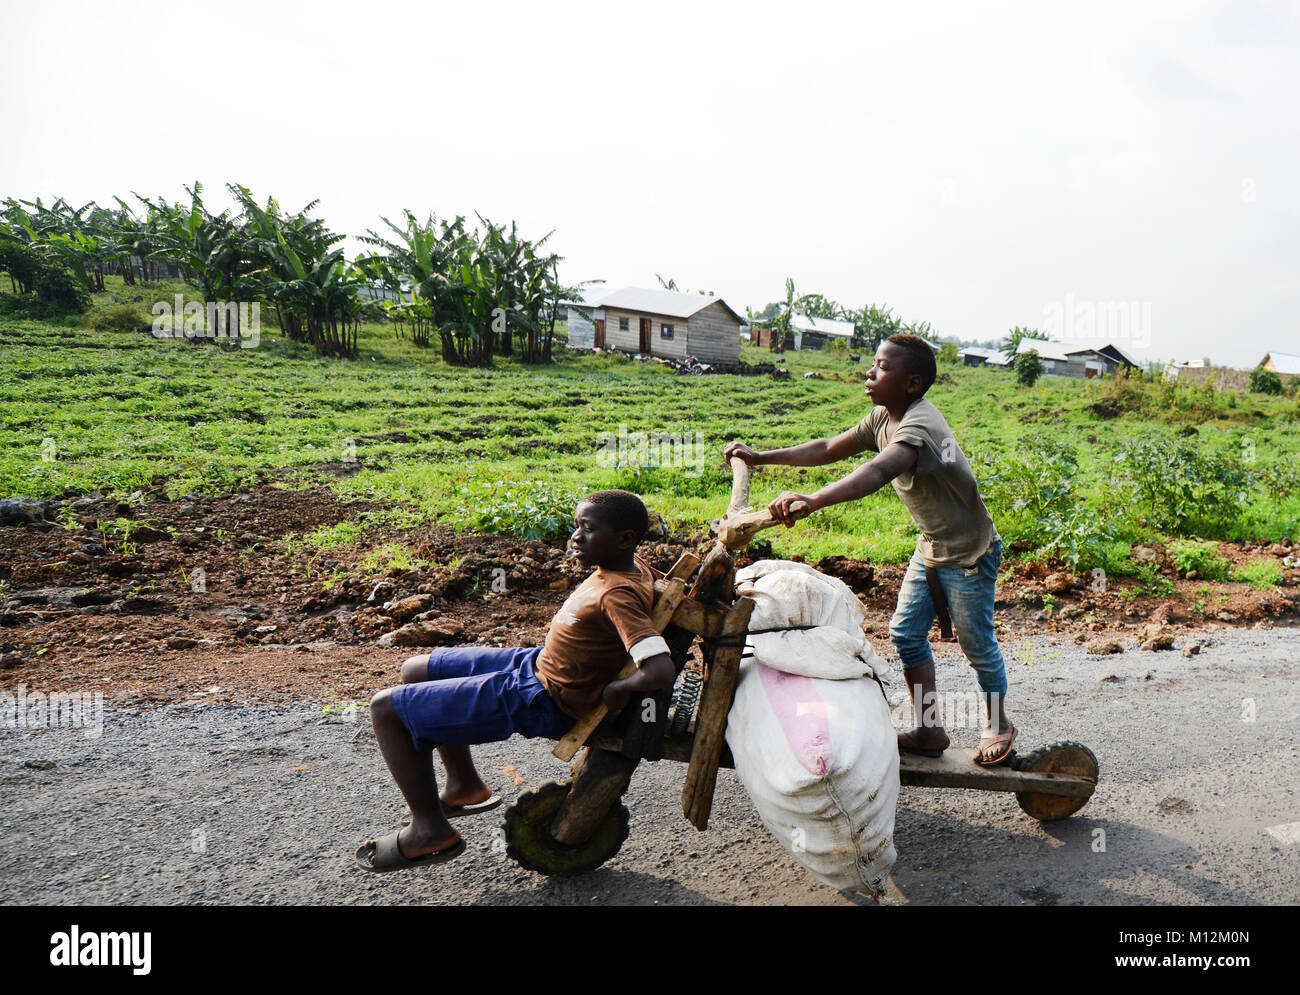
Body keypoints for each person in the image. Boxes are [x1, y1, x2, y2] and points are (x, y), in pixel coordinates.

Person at [724, 333, 1015, 766]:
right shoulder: (882, 416)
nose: (869, 371)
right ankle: (931, 728)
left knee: (976, 644)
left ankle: (998, 722)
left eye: (882, 366)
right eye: (873, 363)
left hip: (969, 553)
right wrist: (761, 457)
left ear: (912, 384)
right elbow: (826, 449)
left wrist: (814, 500)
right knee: (906, 634)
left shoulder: (919, 426)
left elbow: (878, 471)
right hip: (931, 547)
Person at [355, 489, 675, 872]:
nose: (575, 537)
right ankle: (464, 786)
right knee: (415, 669)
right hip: (537, 664)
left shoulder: (618, 593)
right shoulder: (631, 566)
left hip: (544, 697)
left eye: (588, 530)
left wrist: (620, 688)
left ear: (625, 539)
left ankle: (428, 830)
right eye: (577, 527)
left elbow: (659, 669)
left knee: (385, 708)